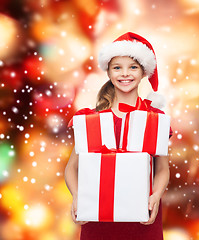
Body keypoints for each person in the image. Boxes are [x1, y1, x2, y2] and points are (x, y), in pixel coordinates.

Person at [65, 32, 173, 240]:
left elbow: (162, 169)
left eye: (133, 67)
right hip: (97, 221)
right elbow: (71, 168)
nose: (125, 74)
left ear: (143, 73)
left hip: (143, 221)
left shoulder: (155, 119)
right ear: (108, 73)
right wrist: (78, 197)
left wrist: (156, 196)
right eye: (117, 67)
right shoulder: (91, 120)